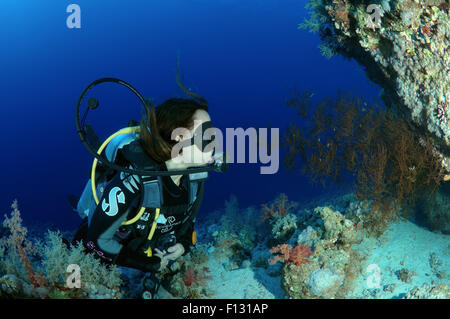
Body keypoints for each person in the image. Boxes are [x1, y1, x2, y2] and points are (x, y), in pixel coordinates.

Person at [72, 97, 216, 298]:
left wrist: (183, 244)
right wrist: (147, 264)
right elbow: (96, 241)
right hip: (102, 247)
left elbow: (187, 221)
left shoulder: (194, 178)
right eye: (206, 133)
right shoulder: (134, 180)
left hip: (142, 245)